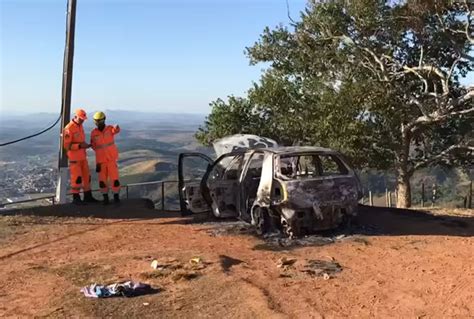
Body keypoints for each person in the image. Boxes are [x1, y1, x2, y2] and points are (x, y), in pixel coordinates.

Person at [63, 108, 99, 204]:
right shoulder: (69, 128)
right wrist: (79, 146)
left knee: (87, 177)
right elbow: (66, 146)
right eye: (81, 119)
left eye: (83, 119)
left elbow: (80, 141)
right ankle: (76, 198)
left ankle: (88, 196)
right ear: (75, 117)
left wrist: (86, 145)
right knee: (77, 178)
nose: (82, 121)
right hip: (74, 158)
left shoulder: (80, 126)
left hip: (82, 156)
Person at [90, 111, 121, 205]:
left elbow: (116, 130)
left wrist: (117, 127)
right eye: (96, 121)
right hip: (101, 161)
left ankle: (116, 197)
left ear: (104, 120)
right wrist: (99, 156)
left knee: (114, 179)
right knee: (102, 181)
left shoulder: (109, 129)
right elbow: (93, 145)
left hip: (111, 159)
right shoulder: (93, 133)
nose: (98, 122)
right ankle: (105, 198)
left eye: (99, 120)